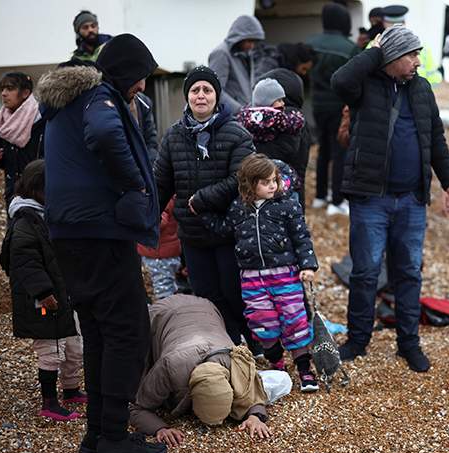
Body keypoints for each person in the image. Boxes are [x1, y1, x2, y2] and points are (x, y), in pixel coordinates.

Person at [37, 33, 166, 453]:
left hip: (70, 233)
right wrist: (134, 184)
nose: (143, 87)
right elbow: (107, 134)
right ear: (127, 72)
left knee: (96, 332)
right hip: (100, 234)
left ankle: (96, 434)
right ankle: (113, 438)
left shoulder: (65, 105)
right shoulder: (99, 98)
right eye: (141, 77)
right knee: (128, 331)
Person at [331, 26, 449, 372]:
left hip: (411, 200)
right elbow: (339, 82)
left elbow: (436, 138)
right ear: (391, 57)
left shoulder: (421, 89)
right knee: (365, 272)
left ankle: (409, 344)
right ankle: (358, 340)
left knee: (408, 272)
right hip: (370, 199)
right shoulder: (365, 83)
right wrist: (376, 51)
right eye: (411, 55)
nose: (418, 62)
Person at [155, 65, 256, 350]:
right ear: (187, 97)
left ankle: (256, 344)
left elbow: (241, 178)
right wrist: (149, 217)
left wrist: (204, 198)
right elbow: (161, 181)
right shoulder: (174, 136)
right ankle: (226, 346)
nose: (201, 95)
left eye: (207, 90)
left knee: (234, 292)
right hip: (193, 233)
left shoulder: (237, 134)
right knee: (206, 296)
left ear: (216, 96)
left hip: (228, 231)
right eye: (195, 90)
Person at [202, 154, 320, 391]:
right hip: (252, 278)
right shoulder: (239, 207)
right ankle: (277, 365)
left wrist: (307, 265)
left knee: (295, 320)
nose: (273, 186)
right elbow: (223, 228)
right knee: (262, 323)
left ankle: (305, 370)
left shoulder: (286, 204)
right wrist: (200, 212)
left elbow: (301, 237)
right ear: (250, 183)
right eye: (265, 182)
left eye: (274, 181)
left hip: (285, 274)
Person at [131, 295, 280, 446]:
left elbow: (252, 392)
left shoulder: (235, 359)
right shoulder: (170, 366)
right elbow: (138, 407)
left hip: (206, 309)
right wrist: (160, 428)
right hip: (162, 313)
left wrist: (255, 417)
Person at [0, 160, 84, 422]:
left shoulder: (48, 214)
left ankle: (71, 389)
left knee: (74, 345)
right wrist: (43, 292)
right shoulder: (26, 220)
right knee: (51, 350)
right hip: (43, 300)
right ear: (38, 189)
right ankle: (49, 401)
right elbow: (23, 263)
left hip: (64, 295)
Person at [307, 3, 358, 216]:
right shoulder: (349, 47)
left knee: (322, 149)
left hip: (316, 105)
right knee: (339, 152)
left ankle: (320, 196)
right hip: (339, 107)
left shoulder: (311, 44)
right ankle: (337, 200)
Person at [0, 72, 45, 206]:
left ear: (25, 93)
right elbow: (10, 161)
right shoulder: (2, 124)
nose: (4, 93)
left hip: (39, 195)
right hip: (13, 193)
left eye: (10, 89)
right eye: (2, 89)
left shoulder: (41, 121)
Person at [257, 68, 313, 207]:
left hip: (283, 192)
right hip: (291, 189)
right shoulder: (296, 117)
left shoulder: (288, 120)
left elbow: (282, 150)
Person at [208, 15, 279, 111]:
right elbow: (215, 90)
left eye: (254, 42)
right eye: (249, 41)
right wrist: (240, 110)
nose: (251, 45)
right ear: (238, 37)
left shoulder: (245, 54)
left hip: (243, 116)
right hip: (230, 117)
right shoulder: (221, 53)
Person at [137, 197, 181, 301]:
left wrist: (138, 217)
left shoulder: (160, 196)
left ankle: (163, 312)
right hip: (157, 254)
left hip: (159, 256)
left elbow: (160, 222)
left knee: (162, 292)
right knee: (154, 287)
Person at [238, 78, 305, 145]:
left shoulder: (245, 117)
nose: (283, 103)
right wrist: (298, 117)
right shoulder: (277, 118)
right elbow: (294, 122)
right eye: (279, 100)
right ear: (267, 103)